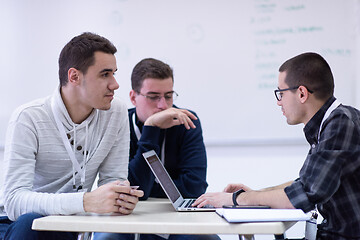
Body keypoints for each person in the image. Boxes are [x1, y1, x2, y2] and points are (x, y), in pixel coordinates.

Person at [193, 52, 360, 240]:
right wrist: (256, 194)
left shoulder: (340, 124)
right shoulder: (330, 123)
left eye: (281, 93)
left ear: (302, 93)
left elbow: (305, 194)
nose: (279, 102)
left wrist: (236, 200)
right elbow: (306, 183)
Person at [0, 32, 144, 240]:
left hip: (76, 224)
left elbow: (113, 179)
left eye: (114, 73)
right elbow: (14, 202)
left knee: (120, 233)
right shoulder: (28, 118)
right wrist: (85, 201)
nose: (115, 84)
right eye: (105, 74)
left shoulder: (116, 111)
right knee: (30, 223)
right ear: (74, 77)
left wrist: (120, 197)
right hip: (26, 227)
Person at [94, 58, 219, 240]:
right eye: (153, 97)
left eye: (168, 96)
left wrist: (144, 189)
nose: (163, 105)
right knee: (108, 238)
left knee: (205, 239)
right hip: (130, 216)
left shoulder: (187, 121)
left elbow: (194, 187)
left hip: (175, 218)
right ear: (133, 97)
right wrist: (151, 128)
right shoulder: (118, 124)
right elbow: (125, 189)